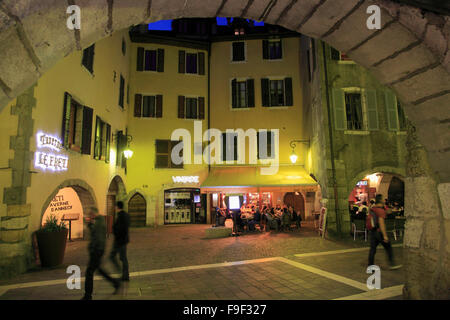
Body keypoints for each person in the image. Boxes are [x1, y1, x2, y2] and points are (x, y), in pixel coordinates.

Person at [82, 207, 120, 300]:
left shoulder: (99, 223)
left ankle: (88, 295)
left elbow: (98, 238)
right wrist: (90, 224)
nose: (89, 216)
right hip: (98, 250)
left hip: (97, 251)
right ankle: (115, 283)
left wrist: (94, 250)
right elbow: (94, 233)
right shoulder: (99, 220)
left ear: (93, 214)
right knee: (99, 270)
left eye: (90, 214)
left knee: (89, 273)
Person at [368, 194, 402, 270]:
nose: (385, 200)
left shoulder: (373, 208)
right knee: (388, 247)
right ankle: (392, 264)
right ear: (381, 200)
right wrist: (385, 235)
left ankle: (370, 266)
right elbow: (381, 223)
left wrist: (389, 210)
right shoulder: (380, 211)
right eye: (383, 199)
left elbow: (386, 211)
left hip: (373, 232)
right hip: (379, 232)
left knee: (373, 249)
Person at [110, 201, 130, 282]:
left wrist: (114, 229)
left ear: (117, 207)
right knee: (122, 258)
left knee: (115, 257)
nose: (114, 208)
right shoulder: (126, 215)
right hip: (123, 240)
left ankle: (123, 274)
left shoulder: (121, 216)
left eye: (115, 206)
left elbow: (120, 228)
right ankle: (124, 275)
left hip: (119, 241)